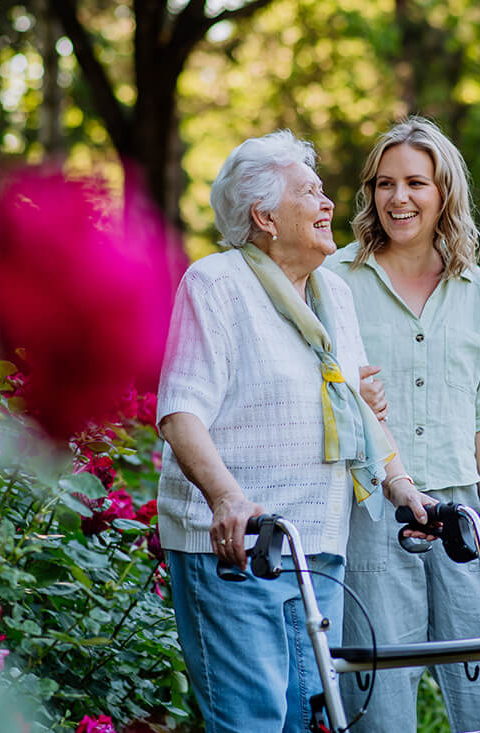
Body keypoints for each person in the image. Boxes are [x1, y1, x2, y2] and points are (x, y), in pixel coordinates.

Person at [155, 130, 432, 733]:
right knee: (253, 719)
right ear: (264, 216)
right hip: (238, 548)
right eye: (309, 192)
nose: (329, 204)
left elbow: (357, 407)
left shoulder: (332, 291)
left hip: (317, 546)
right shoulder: (218, 284)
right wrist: (227, 497)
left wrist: (401, 484)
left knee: (310, 720)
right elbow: (181, 411)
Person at [324, 116, 480, 732]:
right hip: (371, 510)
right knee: (378, 688)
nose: (399, 198)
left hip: (459, 511)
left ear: (444, 192)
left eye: (416, 183)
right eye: (385, 183)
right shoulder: (335, 281)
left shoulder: (473, 287)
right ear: (369, 193)